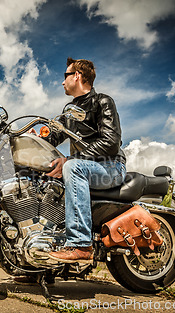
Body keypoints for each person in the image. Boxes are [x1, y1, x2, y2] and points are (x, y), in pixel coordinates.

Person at [44, 57, 127, 263]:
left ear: (77, 76)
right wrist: (38, 138)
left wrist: (73, 159)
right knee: (42, 174)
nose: (63, 82)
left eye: (66, 76)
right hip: (85, 167)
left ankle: (81, 244)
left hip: (110, 167)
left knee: (71, 166)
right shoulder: (70, 111)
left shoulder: (102, 102)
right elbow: (54, 136)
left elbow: (111, 141)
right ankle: (38, 256)